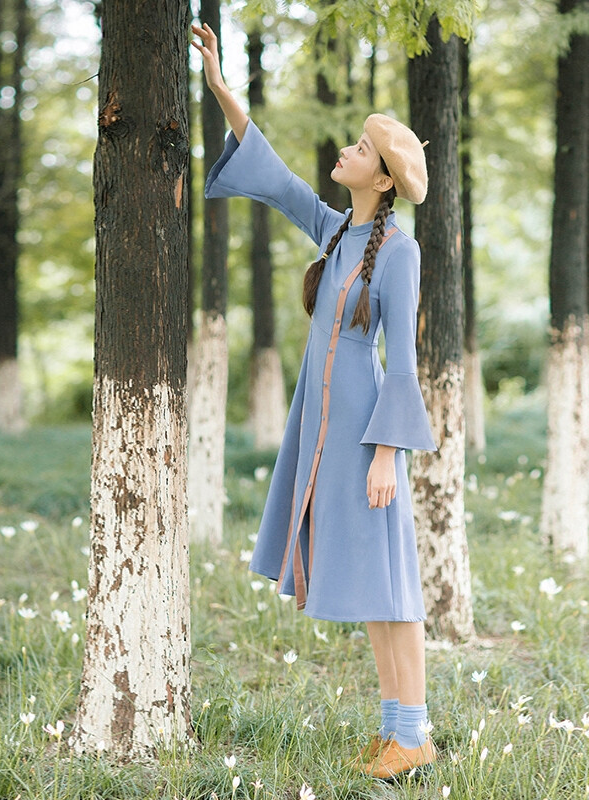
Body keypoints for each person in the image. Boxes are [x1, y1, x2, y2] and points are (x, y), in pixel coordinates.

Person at [191, 21, 438, 780]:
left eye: (363, 151)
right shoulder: (337, 236)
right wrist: (226, 95)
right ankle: (398, 730)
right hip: (323, 432)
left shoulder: (400, 253)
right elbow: (282, 187)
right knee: (372, 588)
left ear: (384, 178)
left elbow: (404, 360)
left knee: (393, 588)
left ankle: (415, 734)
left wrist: (388, 453)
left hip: (369, 439)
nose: (348, 152)